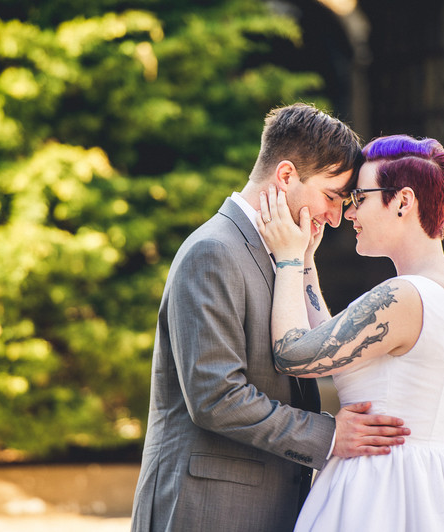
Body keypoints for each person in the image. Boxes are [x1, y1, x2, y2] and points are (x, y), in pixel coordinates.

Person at [131, 104, 410, 532]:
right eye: (332, 196)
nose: (336, 217)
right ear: (285, 177)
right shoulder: (214, 251)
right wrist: (330, 436)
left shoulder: (285, 256)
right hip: (208, 508)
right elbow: (215, 397)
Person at [257, 134, 444, 531]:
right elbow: (332, 344)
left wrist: (286, 260)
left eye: (360, 198)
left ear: (403, 201)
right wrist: (306, 259)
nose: (348, 214)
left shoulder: (404, 295)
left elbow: (294, 353)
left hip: (380, 487)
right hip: (435, 483)